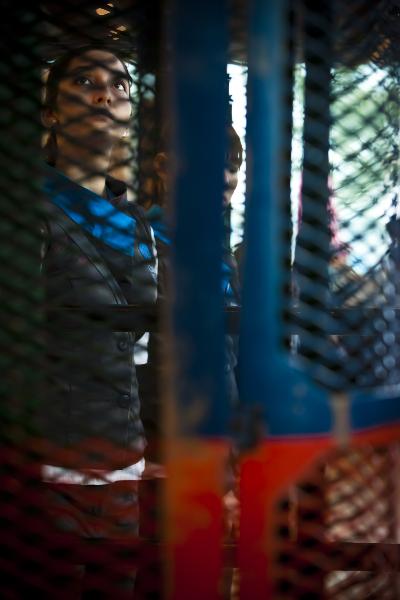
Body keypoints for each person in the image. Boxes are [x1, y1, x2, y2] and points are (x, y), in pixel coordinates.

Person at [34, 45, 158, 597]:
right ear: (51, 113)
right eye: (86, 81)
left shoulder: (135, 224)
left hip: (122, 469)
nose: (107, 95)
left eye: (121, 86)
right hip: (45, 472)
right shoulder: (28, 210)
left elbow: (139, 354)